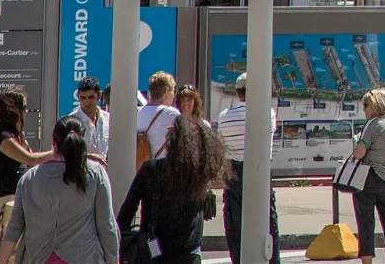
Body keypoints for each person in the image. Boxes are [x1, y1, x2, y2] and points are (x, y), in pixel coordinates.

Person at [0, 117, 118, 264]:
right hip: (84, 256)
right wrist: (113, 259)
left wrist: (2, 261)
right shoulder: (95, 173)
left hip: (38, 257)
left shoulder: (29, 179)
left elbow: (14, 227)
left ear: (53, 141)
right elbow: (106, 223)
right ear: (82, 141)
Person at [118, 114, 229, 264]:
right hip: (188, 252)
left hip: (153, 250)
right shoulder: (199, 173)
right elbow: (208, 139)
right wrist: (185, 128)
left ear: (170, 141)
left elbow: (127, 212)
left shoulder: (151, 169)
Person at [217, 72, 281, 264]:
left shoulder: (224, 117)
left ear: (237, 92)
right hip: (260, 169)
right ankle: (272, 259)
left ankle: (238, 259)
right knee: (268, 218)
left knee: (234, 220)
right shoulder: (268, 113)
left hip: (233, 170)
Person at [349, 88, 385, 264]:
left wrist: (356, 141)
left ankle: (367, 261)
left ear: (374, 105)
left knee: (366, 224)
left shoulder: (373, 125)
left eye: (366, 105)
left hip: (369, 178)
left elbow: (359, 153)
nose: (364, 109)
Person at [0, 89, 52, 235]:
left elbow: (30, 160)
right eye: (23, 107)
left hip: (17, 193)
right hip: (5, 196)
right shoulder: (0, 135)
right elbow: (30, 159)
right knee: (13, 249)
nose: (25, 112)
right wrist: (58, 152)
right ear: (12, 110)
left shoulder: (15, 134)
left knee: (18, 250)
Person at [137, 71, 180, 161]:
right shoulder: (171, 114)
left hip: (142, 168)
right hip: (162, 167)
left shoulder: (139, 112)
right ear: (167, 91)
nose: (174, 94)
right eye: (173, 90)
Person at [68, 77, 110, 157]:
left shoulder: (108, 119)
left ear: (99, 95)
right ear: (78, 96)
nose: (87, 101)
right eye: (83, 98)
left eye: (91, 97)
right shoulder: (71, 121)